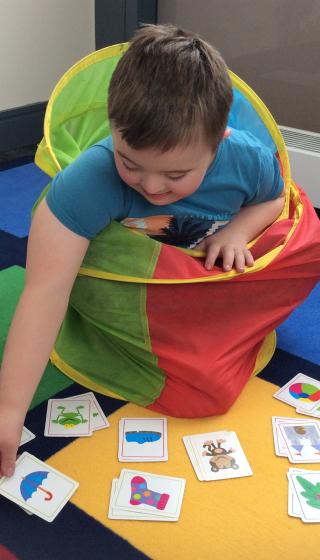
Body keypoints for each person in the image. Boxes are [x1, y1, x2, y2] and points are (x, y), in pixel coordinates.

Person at [0, 24, 285, 477]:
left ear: (220, 141)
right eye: (129, 162)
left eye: (176, 175)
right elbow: (44, 292)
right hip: (129, 282)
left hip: (194, 272)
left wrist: (237, 231)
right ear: (114, 128)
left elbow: (276, 199)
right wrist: (9, 413)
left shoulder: (247, 157)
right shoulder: (90, 180)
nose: (152, 185)